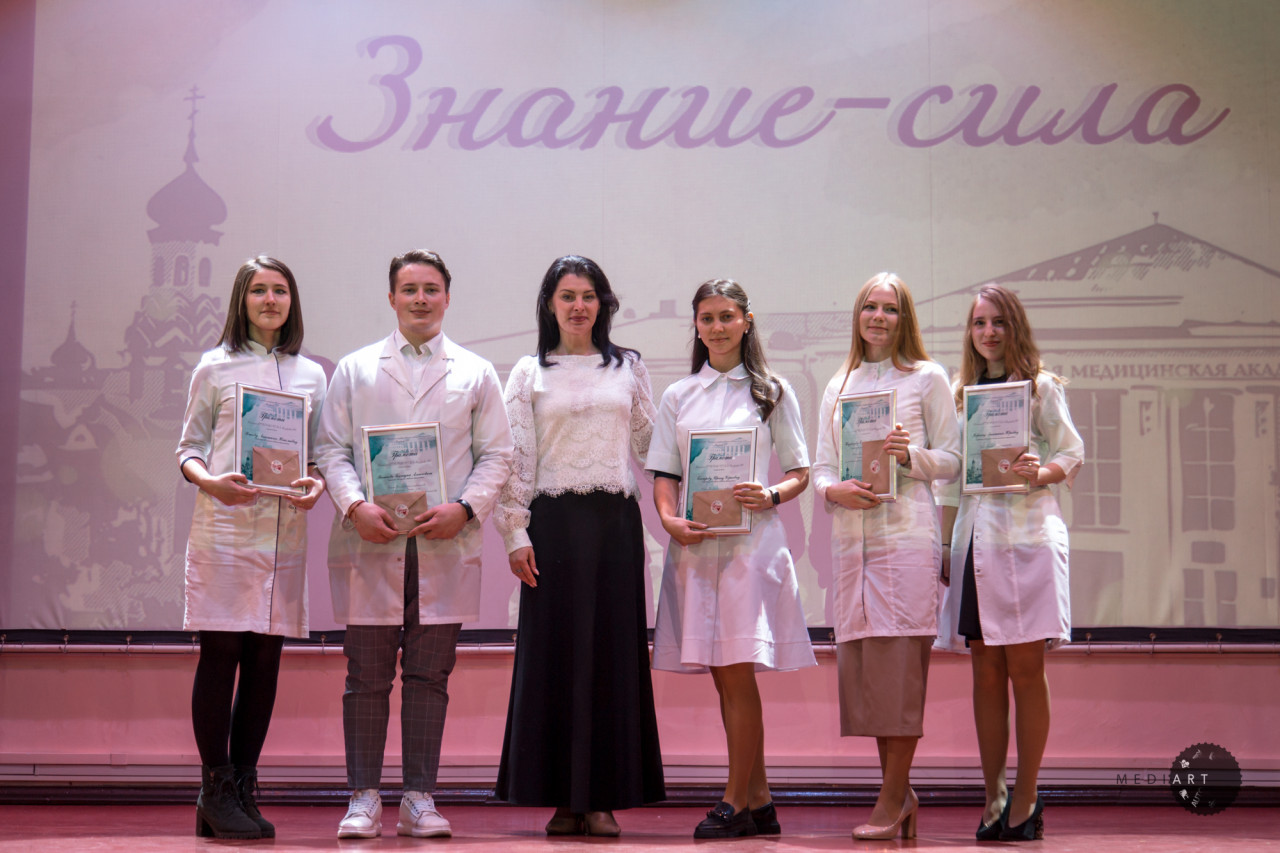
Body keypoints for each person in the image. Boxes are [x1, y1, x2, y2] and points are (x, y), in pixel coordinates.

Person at [315, 249, 513, 839]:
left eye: (431, 289)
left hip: (442, 543)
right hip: (371, 542)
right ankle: (363, 797)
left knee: (430, 676)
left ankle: (419, 798)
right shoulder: (355, 369)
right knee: (366, 676)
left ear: (447, 297)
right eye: (409, 289)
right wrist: (354, 505)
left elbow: (498, 454)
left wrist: (466, 508)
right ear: (392, 298)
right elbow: (331, 450)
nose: (420, 299)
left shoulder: (476, 372)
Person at [494, 255, 665, 836]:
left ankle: (603, 798)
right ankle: (563, 800)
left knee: (612, 657)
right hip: (552, 528)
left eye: (588, 296)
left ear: (603, 304)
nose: (578, 306)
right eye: (567, 296)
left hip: (615, 526)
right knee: (555, 660)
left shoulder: (628, 367)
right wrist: (514, 532)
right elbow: (517, 457)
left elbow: (652, 445)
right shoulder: (528, 372)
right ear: (550, 304)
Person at [647, 279, 816, 838]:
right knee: (725, 678)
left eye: (726, 316)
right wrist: (669, 520)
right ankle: (760, 801)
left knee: (737, 674)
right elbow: (665, 475)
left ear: (747, 321)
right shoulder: (679, 396)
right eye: (707, 318)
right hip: (696, 549)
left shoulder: (773, 392)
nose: (717, 327)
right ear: (696, 326)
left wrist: (771, 494)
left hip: (751, 550)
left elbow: (800, 472)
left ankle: (735, 801)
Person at [177, 256, 328, 839]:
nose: (270, 300)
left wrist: (316, 484)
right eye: (259, 290)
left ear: (292, 301)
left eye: (280, 290)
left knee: (265, 659)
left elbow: (317, 456)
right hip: (225, 527)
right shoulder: (214, 366)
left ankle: (242, 786)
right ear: (242, 299)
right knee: (221, 653)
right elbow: (188, 448)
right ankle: (214, 789)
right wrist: (210, 481)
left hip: (283, 533)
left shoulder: (311, 374)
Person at [812, 272, 961, 841]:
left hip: (904, 541)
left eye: (890, 309)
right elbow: (823, 466)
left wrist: (909, 456)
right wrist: (832, 491)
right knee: (872, 679)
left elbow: (954, 458)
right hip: (853, 544)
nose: (879, 317)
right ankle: (900, 793)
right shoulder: (840, 383)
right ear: (857, 316)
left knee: (899, 675)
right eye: (870, 307)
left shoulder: (927, 377)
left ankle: (892, 797)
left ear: (905, 319)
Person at [936, 283, 1084, 842]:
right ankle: (993, 792)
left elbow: (1071, 451)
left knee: (1025, 669)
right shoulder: (961, 395)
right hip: (976, 542)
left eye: (998, 321)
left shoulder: (1040, 387)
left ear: (1014, 326)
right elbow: (952, 478)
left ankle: (1026, 794)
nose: (988, 332)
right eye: (979, 323)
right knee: (985, 673)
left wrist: (1038, 472)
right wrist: (945, 546)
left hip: (1026, 539)